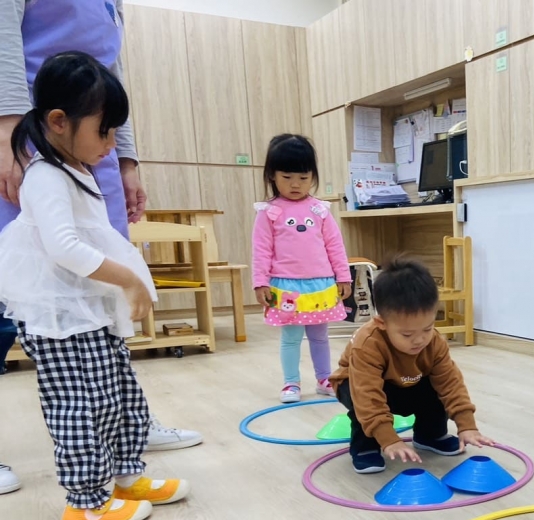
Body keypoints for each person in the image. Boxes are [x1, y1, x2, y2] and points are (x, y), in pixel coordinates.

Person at [0, 0, 203, 457]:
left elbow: (111, 78)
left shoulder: (99, 140)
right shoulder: (45, 173)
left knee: (105, 309)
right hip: (30, 134)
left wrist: (124, 158)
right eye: (110, 135)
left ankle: (127, 428)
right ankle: (93, 451)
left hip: (83, 137)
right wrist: (7, 130)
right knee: (22, 315)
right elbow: (3, 36)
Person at [330, 258, 494, 474]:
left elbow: (451, 384)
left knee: (437, 386)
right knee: (362, 398)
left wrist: (467, 425)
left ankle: (430, 435)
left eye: (427, 328)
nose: (419, 340)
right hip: (356, 385)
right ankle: (365, 447)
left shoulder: (434, 342)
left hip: (405, 382)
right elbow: (367, 396)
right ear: (381, 323)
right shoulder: (368, 343)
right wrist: (390, 439)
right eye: (407, 334)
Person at [252, 134, 352, 403]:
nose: (295, 184)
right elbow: (261, 250)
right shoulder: (269, 212)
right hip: (286, 286)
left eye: (303, 177)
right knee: (291, 337)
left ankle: (324, 379)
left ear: (313, 176)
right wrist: (260, 282)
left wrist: (343, 276)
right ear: (272, 176)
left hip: (321, 284)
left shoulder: (320, 210)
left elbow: (335, 245)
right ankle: (291, 383)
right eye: (287, 177)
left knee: (320, 336)